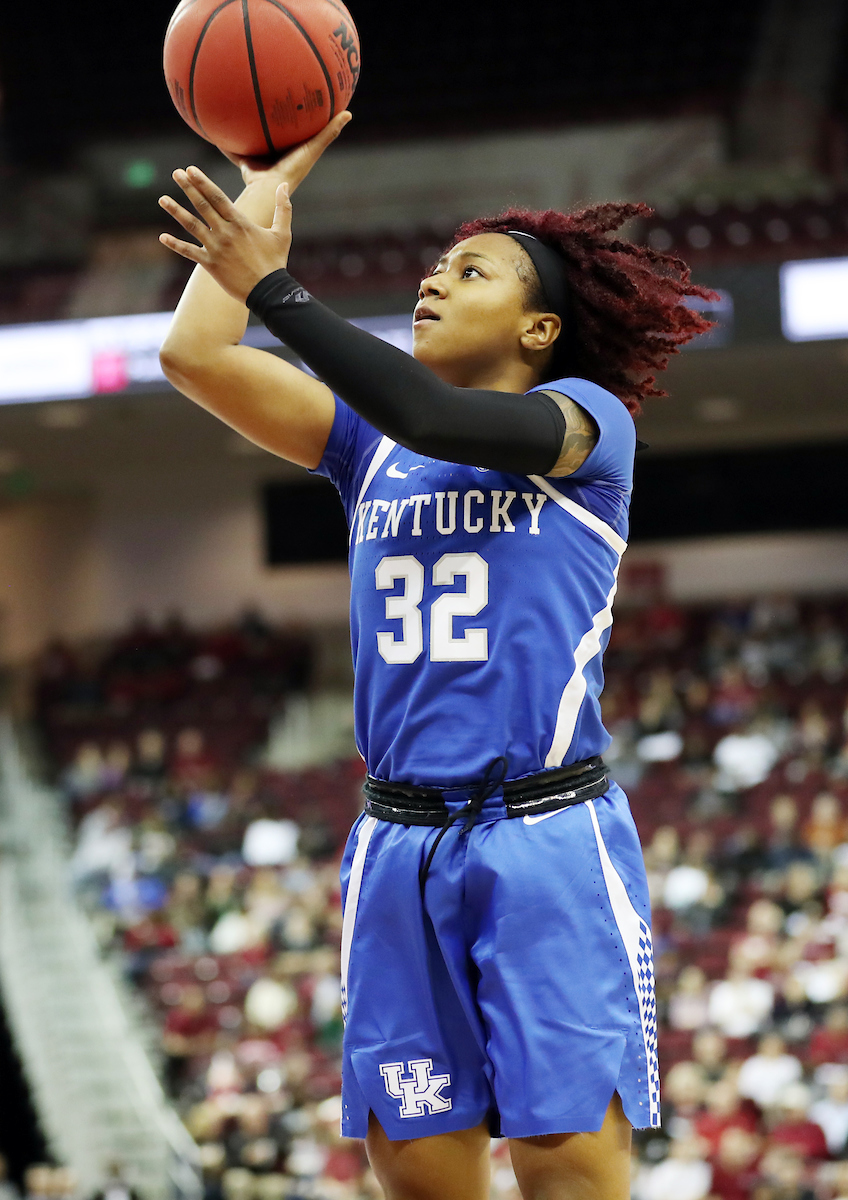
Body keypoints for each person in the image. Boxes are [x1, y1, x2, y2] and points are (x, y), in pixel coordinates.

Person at [157, 111, 713, 1200]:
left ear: (540, 329)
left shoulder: (586, 425)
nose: (432, 282)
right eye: (433, 267)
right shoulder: (365, 449)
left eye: (471, 272)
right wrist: (262, 185)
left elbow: (430, 414)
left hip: (543, 833)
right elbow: (192, 354)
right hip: (398, 841)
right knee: (416, 1180)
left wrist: (278, 288)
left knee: (568, 1175)